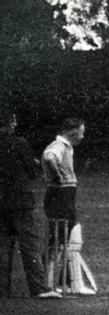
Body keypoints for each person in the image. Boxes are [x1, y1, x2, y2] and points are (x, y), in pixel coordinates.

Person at [0, 110, 61, 299]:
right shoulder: (19, 143)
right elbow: (32, 172)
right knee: (29, 247)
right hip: (21, 201)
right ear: (11, 123)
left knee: (3, 248)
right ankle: (38, 288)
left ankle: (2, 290)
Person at [42, 117, 94, 294]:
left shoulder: (65, 146)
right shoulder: (59, 145)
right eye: (81, 132)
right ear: (73, 132)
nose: (82, 136)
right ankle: (51, 283)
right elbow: (49, 157)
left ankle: (67, 282)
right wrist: (58, 176)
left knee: (69, 237)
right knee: (60, 238)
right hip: (60, 194)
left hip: (63, 194)